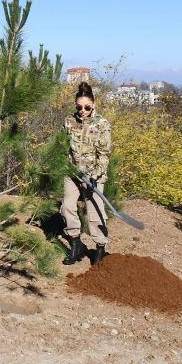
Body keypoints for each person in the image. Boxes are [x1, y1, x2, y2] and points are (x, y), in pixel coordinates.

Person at [61, 81, 112, 266]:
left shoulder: (102, 124)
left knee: (95, 212)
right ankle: (76, 244)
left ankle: (100, 248)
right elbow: (63, 147)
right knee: (67, 206)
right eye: (79, 106)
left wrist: (96, 175)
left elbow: (104, 154)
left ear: (94, 105)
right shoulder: (69, 121)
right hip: (72, 172)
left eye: (87, 107)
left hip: (93, 175)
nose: (83, 110)